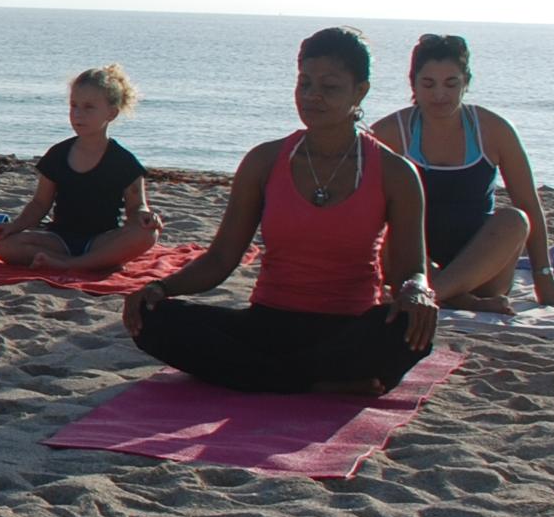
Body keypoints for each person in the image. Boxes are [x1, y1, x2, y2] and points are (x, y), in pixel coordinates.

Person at [123, 27, 438, 395]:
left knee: (409, 331)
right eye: (304, 83)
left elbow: (411, 270)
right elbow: (222, 258)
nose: (312, 96)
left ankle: (277, 377)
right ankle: (316, 381)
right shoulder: (265, 160)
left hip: (348, 328)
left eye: (329, 87)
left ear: (360, 91)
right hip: (268, 324)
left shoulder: (395, 173)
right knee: (151, 319)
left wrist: (417, 291)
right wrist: (160, 287)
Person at [370, 33, 554, 312]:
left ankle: (433, 295)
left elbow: (528, 203)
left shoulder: (493, 130)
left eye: (451, 84)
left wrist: (543, 276)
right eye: (428, 84)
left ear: (466, 83)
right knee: (381, 220)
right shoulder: (389, 133)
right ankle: (452, 298)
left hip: (481, 269)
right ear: (412, 82)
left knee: (516, 219)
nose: (440, 94)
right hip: (411, 265)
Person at [0, 65, 162, 273]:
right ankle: (91, 262)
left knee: (147, 235)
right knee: (6, 247)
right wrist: (14, 227)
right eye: (74, 106)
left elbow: (136, 207)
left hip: (103, 239)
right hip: (59, 239)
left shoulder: (123, 161)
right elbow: (39, 204)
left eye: (89, 107)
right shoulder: (57, 154)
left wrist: (146, 216)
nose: (78, 114)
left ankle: (71, 264)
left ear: (112, 113)